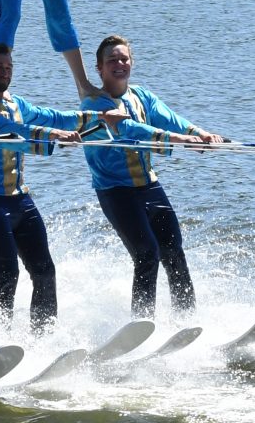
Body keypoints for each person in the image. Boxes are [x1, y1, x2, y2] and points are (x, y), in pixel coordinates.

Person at [0, 43, 127, 332]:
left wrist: (99, 118)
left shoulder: (16, 104)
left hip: (20, 200)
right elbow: (12, 133)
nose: (5, 73)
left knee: (45, 271)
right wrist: (54, 135)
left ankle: (43, 336)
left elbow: (57, 117)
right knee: (7, 273)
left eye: (9, 68)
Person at [81, 35, 224, 317]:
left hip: (149, 186)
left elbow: (169, 118)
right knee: (147, 254)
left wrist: (199, 134)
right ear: (99, 68)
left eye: (124, 59)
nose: (119, 64)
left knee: (174, 254)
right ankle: (142, 324)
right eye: (112, 60)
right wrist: (180, 140)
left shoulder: (141, 95)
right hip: (115, 191)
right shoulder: (95, 105)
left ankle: (187, 319)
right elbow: (133, 131)